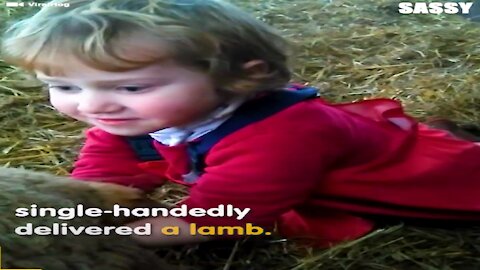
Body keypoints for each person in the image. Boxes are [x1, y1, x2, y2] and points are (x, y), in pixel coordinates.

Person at [1, 0, 479, 248]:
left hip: (432, 181)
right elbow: (101, 174)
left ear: (237, 76)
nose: (94, 105)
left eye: (131, 87)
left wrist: (106, 239)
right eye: (64, 87)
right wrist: (72, 209)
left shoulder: (283, 135)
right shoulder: (131, 118)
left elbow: (226, 218)